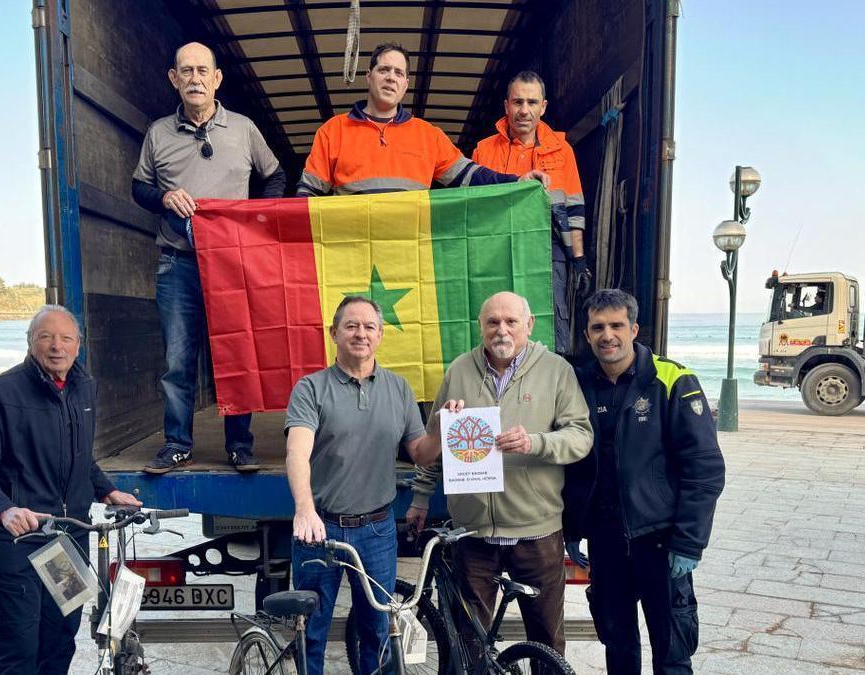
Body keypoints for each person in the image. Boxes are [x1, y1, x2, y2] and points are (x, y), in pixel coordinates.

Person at [407, 291, 593, 657]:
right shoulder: (460, 370)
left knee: (546, 643)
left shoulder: (556, 370)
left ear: (529, 325)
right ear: (480, 326)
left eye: (511, 321)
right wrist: (421, 495)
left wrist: (535, 442)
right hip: (473, 534)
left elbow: (581, 436)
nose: (501, 330)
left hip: (536, 533)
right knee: (468, 643)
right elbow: (436, 439)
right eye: (492, 322)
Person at [131, 41, 286, 474]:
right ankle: (177, 444)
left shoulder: (244, 129)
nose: (195, 78)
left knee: (237, 354)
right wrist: (164, 197)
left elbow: (275, 176)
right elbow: (139, 187)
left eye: (203, 71)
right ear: (174, 79)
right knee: (178, 360)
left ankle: (240, 445)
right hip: (177, 262)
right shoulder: (158, 133)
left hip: (233, 265)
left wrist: (255, 223)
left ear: (217, 79)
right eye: (186, 71)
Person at [0, 305, 141, 675]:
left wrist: (106, 490)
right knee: (18, 649)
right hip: (21, 542)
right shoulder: (0, 393)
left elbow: (79, 457)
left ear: (78, 345)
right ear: (31, 342)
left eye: (65, 338)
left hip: (68, 539)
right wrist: (5, 509)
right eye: (46, 337)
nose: (56, 346)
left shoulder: (84, 388)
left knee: (60, 642)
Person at [563, 289, 725, 674]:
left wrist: (689, 542)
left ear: (634, 329)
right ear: (587, 335)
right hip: (606, 542)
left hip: (662, 543)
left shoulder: (673, 380)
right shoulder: (577, 385)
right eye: (598, 328)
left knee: (672, 655)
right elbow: (571, 462)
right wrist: (572, 524)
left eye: (616, 325)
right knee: (618, 649)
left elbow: (704, 468)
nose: (607, 335)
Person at [286, 295, 438, 675]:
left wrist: (440, 431)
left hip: (377, 530)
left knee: (378, 632)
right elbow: (297, 453)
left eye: (369, 327)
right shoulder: (310, 389)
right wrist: (304, 509)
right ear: (334, 333)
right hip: (320, 530)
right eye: (351, 326)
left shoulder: (399, 389)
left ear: (380, 335)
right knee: (311, 632)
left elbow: (421, 453)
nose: (361, 334)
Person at [296, 43, 550, 197]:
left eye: (399, 73)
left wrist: (517, 181)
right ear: (368, 76)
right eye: (384, 70)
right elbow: (306, 197)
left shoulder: (427, 135)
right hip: (351, 255)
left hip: (410, 257)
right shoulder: (333, 131)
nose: (391, 77)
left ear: (406, 84)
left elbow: (470, 176)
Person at [471, 71, 590, 354]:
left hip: (548, 248)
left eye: (532, 102)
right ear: (506, 106)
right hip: (496, 249)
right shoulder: (483, 150)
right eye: (518, 102)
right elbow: (473, 210)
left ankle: (553, 374)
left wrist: (578, 259)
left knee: (552, 318)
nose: (524, 110)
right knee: (498, 317)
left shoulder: (562, 150)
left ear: (543, 107)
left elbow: (574, 209)